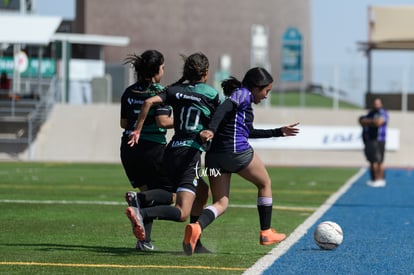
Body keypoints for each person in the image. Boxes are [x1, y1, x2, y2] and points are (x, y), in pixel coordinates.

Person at [182, 67, 300, 255]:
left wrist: (278, 132)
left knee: (221, 203)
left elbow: (249, 132)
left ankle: (196, 227)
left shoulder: (243, 104)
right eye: (266, 91)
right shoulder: (243, 94)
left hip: (214, 156)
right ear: (255, 88)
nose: (266, 96)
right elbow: (224, 108)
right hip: (236, 152)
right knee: (265, 183)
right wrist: (211, 129)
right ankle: (266, 232)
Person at [126, 52, 220, 252]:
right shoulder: (210, 94)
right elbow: (220, 120)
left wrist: (138, 129)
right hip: (189, 156)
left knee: (200, 192)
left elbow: (149, 102)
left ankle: (194, 241)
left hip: (171, 151)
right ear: (206, 73)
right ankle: (143, 211)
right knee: (182, 212)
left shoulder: (175, 90)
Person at [120, 50, 175, 251]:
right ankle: (137, 200)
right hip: (152, 149)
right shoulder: (159, 92)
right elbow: (162, 121)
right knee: (172, 196)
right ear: (156, 70)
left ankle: (144, 241)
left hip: (129, 149)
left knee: (150, 195)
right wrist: (184, 122)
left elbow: (123, 123)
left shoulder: (129, 92)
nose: (164, 69)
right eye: (162, 66)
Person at [359, 97, 389, 188]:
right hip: (370, 140)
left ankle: (378, 179)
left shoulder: (382, 112)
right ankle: (377, 179)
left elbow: (378, 123)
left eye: (378, 103)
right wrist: (372, 121)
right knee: (374, 161)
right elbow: (361, 121)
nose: (376, 105)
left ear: (381, 104)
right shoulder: (371, 113)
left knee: (377, 161)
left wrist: (369, 122)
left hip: (378, 139)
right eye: (375, 103)